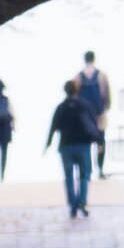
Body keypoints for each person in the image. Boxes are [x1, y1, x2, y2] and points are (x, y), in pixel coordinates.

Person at [44, 79, 96, 218]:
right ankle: (82, 202)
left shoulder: (61, 107)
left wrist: (47, 144)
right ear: (77, 90)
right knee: (84, 175)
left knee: (68, 177)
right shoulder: (85, 105)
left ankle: (73, 205)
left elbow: (53, 127)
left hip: (66, 146)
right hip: (83, 146)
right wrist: (99, 141)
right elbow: (93, 125)